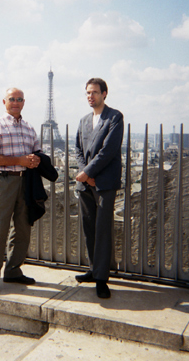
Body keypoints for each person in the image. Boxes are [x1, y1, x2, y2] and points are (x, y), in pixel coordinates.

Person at [0, 87, 41, 296]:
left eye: (19, 99)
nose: (15, 102)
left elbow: (36, 153)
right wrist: (21, 160)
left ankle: (13, 270)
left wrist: (36, 159)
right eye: (12, 99)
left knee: (23, 228)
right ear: (4, 101)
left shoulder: (29, 128)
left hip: (25, 184)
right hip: (4, 182)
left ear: (24, 102)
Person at [75, 78, 123, 299]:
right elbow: (77, 149)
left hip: (103, 183)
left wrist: (89, 173)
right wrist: (85, 176)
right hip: (86, 183)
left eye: (94, 92)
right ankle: (94, 270)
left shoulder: (115, 117)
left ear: (105, 93)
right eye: (87, 93)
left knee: (103, 230)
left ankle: (102, 278)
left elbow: (109, 150)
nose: (90, 96)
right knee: (89, 228)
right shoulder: (84, 120)